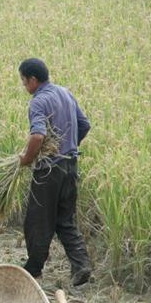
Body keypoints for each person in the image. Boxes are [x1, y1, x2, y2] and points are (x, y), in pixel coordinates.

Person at [17, 58, 92, 286]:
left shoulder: (39, 101)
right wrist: (68, 145)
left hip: (49, 169)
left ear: (33, 79)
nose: (23, 86)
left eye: (23, 81)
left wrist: (27, 159)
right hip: (70, 164)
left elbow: (38, 135)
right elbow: (84, 124)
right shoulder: (65, 93)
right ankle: (81, 265)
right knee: (65, 220)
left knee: (37, 220)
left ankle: (34, 268)